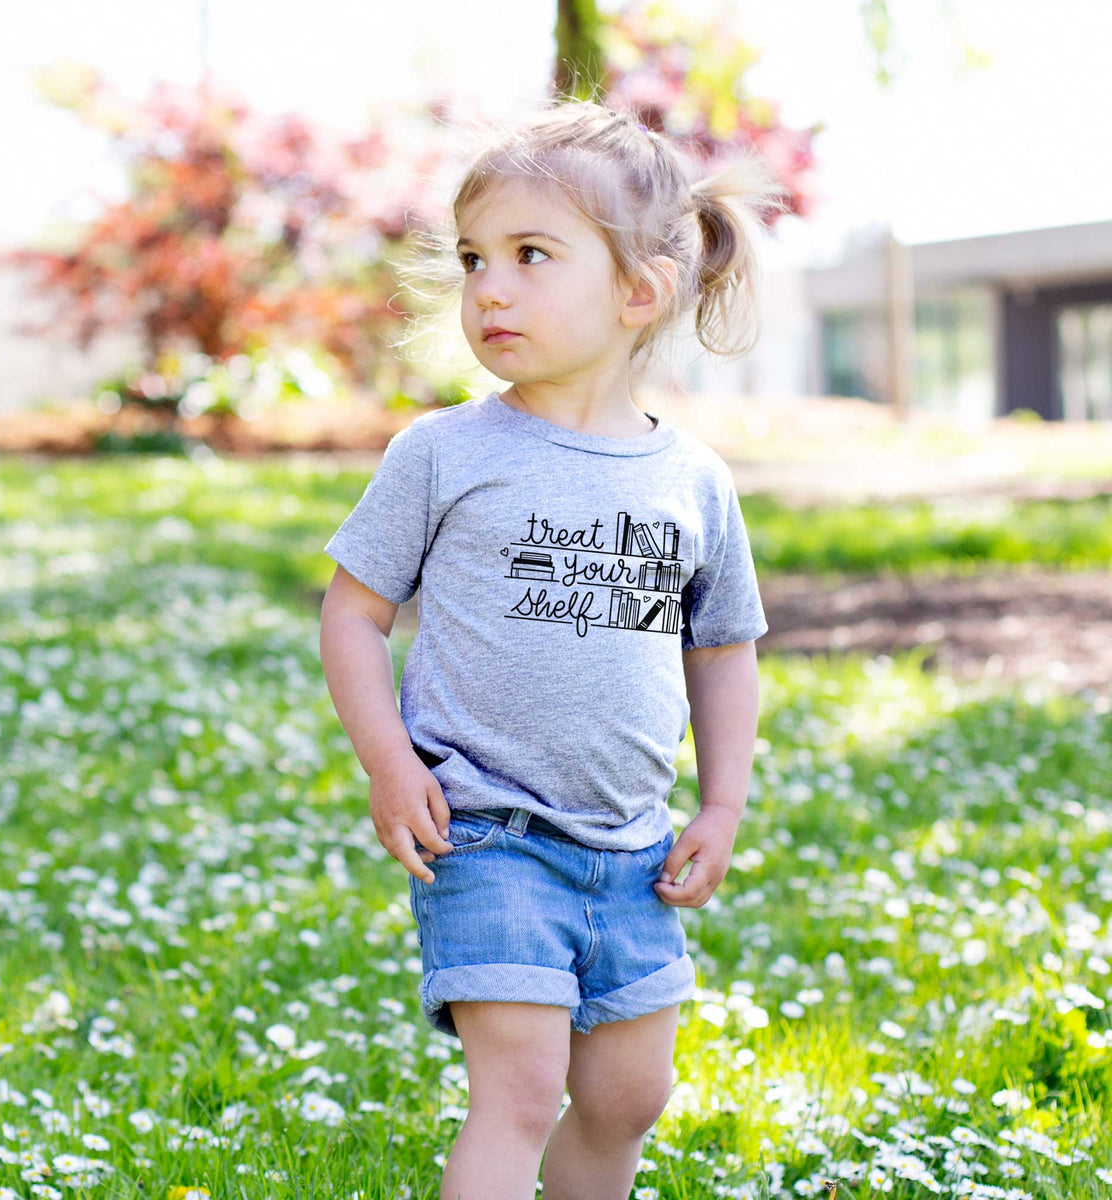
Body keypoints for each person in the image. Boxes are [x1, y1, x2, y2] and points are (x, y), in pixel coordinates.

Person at [319, 96, 785, 1200]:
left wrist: (721, 808)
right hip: (485, 830)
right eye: (475, 257)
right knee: (520, 1091)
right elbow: (353, 612)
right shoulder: (444, 452)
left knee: (628, 1100)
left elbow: (722, 652)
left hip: (633, 852)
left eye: (532, 255)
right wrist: (390, 761)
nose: (489, 286)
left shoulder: (692, 482)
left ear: (640, 290)